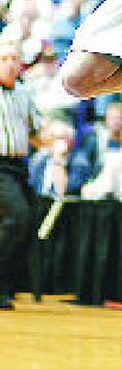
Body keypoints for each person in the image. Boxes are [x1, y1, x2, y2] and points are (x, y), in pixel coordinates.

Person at [0, 38, 42, 309]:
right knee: (17, 217)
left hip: (18, 167)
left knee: (25, 223)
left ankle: (5, 287)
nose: (11, 64)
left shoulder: (24, 95)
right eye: (4, 59)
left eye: (15, 59)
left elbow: (36, 133)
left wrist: (60, 142)